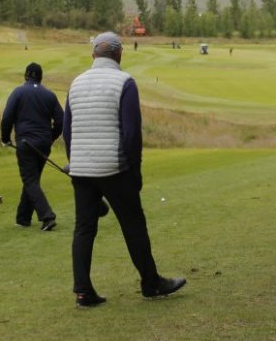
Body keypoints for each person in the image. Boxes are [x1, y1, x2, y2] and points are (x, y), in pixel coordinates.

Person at [62, 31, 186, 308]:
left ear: (93, 54)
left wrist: (76, 161)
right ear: (119, 54)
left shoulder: (76, 83)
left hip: (81, 170)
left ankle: (83, 292)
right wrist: (135, 172)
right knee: (133, 225)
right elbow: (131, 134)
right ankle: (151, 283)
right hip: (115, 168)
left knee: (84, 228)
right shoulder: (125, 82)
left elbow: (67, 131)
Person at [0, 62, 64, 231]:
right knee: (32, 180)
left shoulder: (18, 92)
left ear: (26, 76)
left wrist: (5, 139)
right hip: (43, 143)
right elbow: (61, 121)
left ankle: (47, 216)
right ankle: (23, 219)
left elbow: (7, 118)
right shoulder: (49, 95)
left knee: (30, 180)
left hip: (25, 142)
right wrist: (50, 137)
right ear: (41, 77)